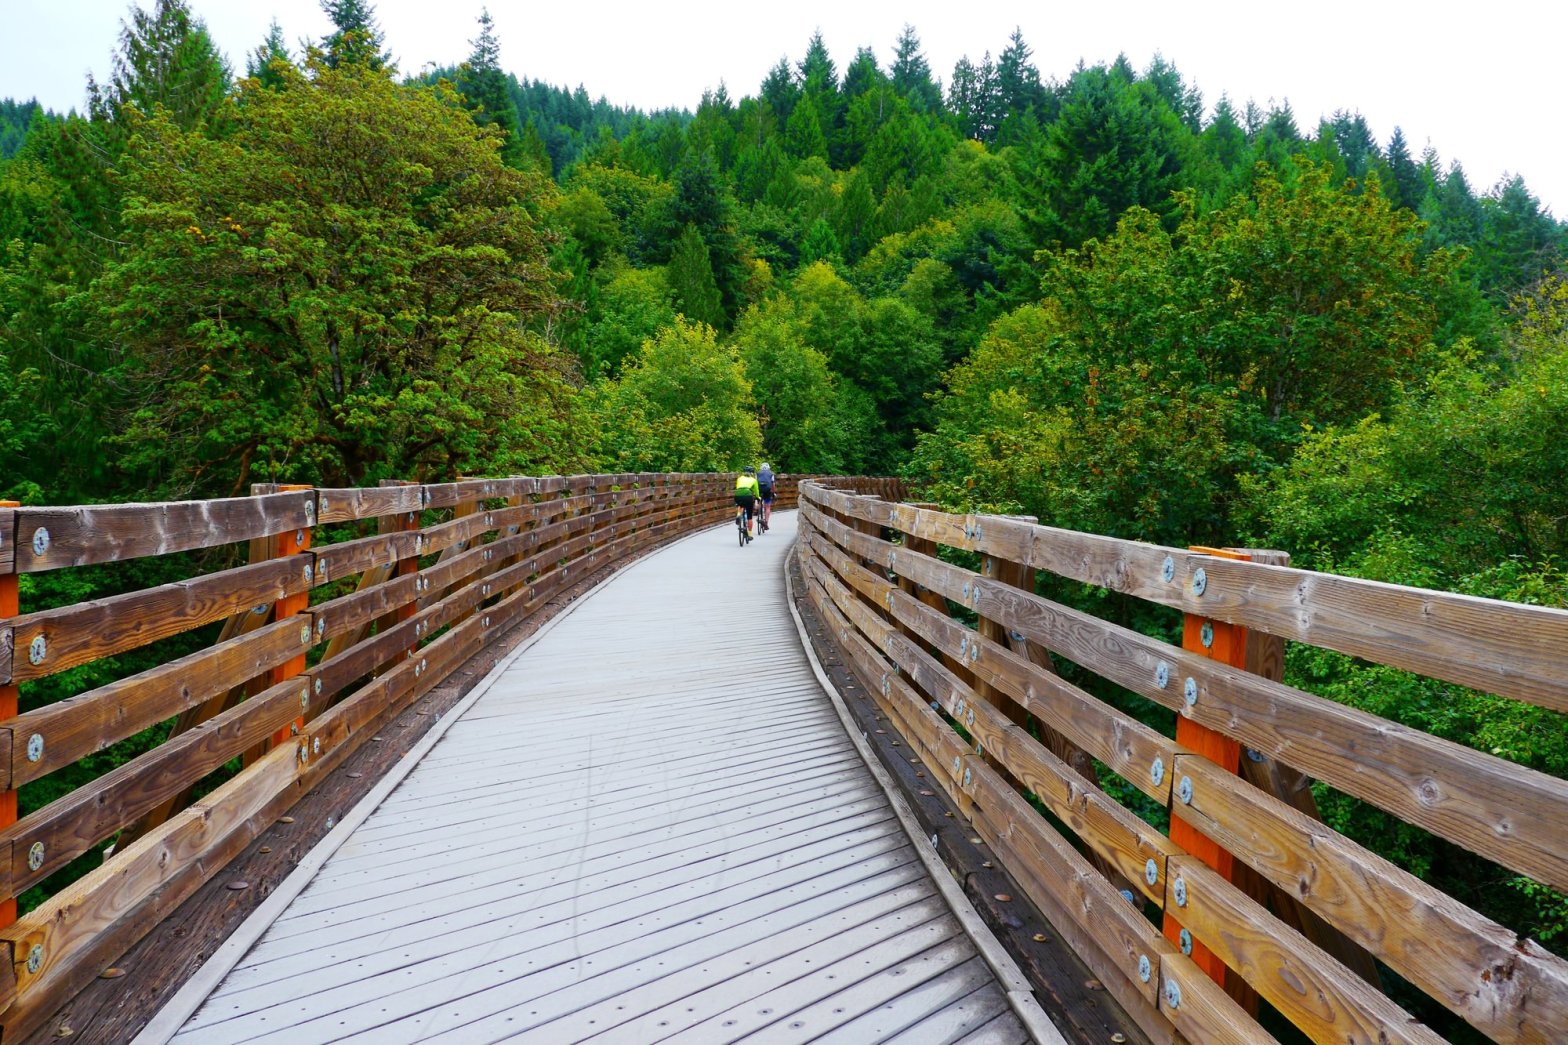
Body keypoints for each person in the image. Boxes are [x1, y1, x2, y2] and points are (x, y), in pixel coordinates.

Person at [734, 466, 761, 538]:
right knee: (749, 517)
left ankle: (739, 514)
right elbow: (756, 491)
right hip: (748, 496)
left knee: (740, 505)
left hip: (737, 494)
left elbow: (738, 487)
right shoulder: (754, 480)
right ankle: (749, 534)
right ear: (752, 473)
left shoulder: (739, 478)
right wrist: (758, 497)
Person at [756, 462, 776, 532]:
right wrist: (773, 492)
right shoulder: (771, 473)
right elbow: (773, 484)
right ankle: (766, 522)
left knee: (759, 502)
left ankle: (758, 512)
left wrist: (755, 493)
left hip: (759, 490)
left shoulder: (757, 473)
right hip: (767, 490)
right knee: (767, 506)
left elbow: (755, 483)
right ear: (768, 467)